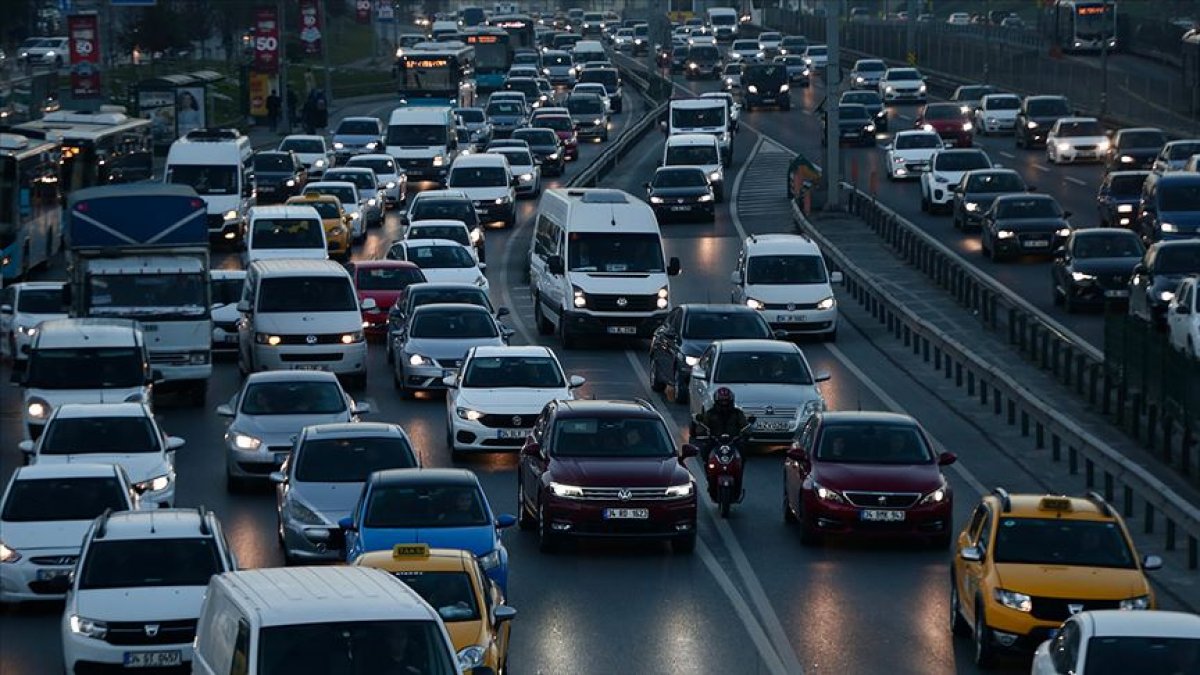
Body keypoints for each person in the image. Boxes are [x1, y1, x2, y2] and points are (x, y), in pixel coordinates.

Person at [692, 387, 749, 458]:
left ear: (731, 400)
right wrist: (700, 430)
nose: (724, 403)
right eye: (722, 400)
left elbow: (745, 426)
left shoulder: (737, 413)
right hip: (715, 441)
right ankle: (708, 463)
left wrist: (747, 431)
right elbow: (702, 427)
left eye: (726, 400)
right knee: (705, 450)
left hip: (733, 442)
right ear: (717, 400)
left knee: (743, 450)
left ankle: (739, 464)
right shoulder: (710, 413)